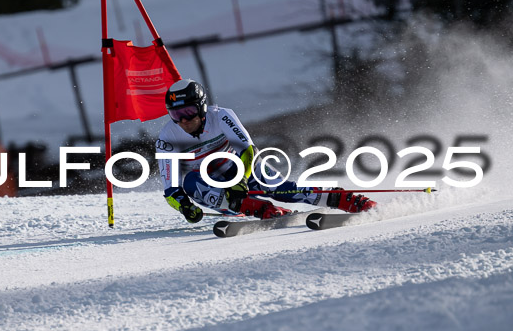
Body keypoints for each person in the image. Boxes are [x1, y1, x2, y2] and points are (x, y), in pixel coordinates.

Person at [156, 79, 377, 223]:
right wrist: (185, 207)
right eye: (176, 115)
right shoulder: (167, 139)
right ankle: (260, 209)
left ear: (202, 106)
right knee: (191, 181)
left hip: (241, 167)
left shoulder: (221, 116)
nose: (183, 120)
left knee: (283, 190)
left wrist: (240, 179)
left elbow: (248, 150)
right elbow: (171, 191)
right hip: (213, 189)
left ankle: (346, 199)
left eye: (188, 112)